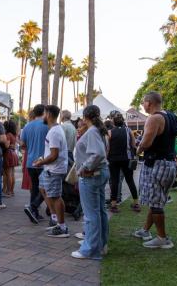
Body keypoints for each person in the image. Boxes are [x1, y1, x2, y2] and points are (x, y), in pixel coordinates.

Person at [133, 92, 177, 249]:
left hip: (156, 164)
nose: (143, 106)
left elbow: (146, 143)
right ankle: (145, 230)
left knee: (155, 202)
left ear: (148, 103)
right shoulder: (171, 116)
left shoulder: (154, 118)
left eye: (143, 103)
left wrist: (137, 151)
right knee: (156, 201)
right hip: (169, 164)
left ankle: (162, 238)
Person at [71, 105, 110, 259]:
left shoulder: (93, 131)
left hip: (91, 175)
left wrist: (84, 168)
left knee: (91, 214)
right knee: (99, 211)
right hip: (98, 174)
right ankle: (99, 244)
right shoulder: (98, 130)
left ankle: (91, 249)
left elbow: (98, 154)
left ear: (85, 117)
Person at [33, 105, 69, 237]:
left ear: (48, 114)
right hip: (49, 168)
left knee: (55, 197)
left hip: (54, 169)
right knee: (43, 188)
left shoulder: (54, 132)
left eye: (44, 114)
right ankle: (54, 219)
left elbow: (54, 155)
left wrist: (41, 162)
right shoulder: (55, 130)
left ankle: (62, 227)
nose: (43, 116)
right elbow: (52, 152)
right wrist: (42, 159)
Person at [107, 112, 141, 213]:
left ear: (113, 122)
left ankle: (113, 205)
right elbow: (134, 145)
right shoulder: (128, 130)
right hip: (127, 158)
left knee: (114, 181)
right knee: (130, 180)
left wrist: (106, 157)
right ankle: (136, 203)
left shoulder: (110, 132)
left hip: (113, 159)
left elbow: (107, 148)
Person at [22, 105, 49, 223]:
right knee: (46, 188)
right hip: (44, 162)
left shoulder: (27, 126)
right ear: (43, 112)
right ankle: (34, 206)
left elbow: (23, 144)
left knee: (35, 188)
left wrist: (31, 146)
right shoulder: (47, 125)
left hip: (31, 161)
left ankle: (34, 211)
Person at [3, 120, 19, 197]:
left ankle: (8, 191)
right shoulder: (14, 135)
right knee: (12, 174)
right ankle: (11, 191)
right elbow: (14, 145)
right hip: (13, 153)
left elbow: (6, 145)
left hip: (8, 154)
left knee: (8, 173)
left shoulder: (8, 135)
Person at [20, 111, 35, 191]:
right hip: (42, 155)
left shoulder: (27, 127)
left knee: (30, 178)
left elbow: (22, 143)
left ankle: (32, 201)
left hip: (29, 154)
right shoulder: (45, 125)